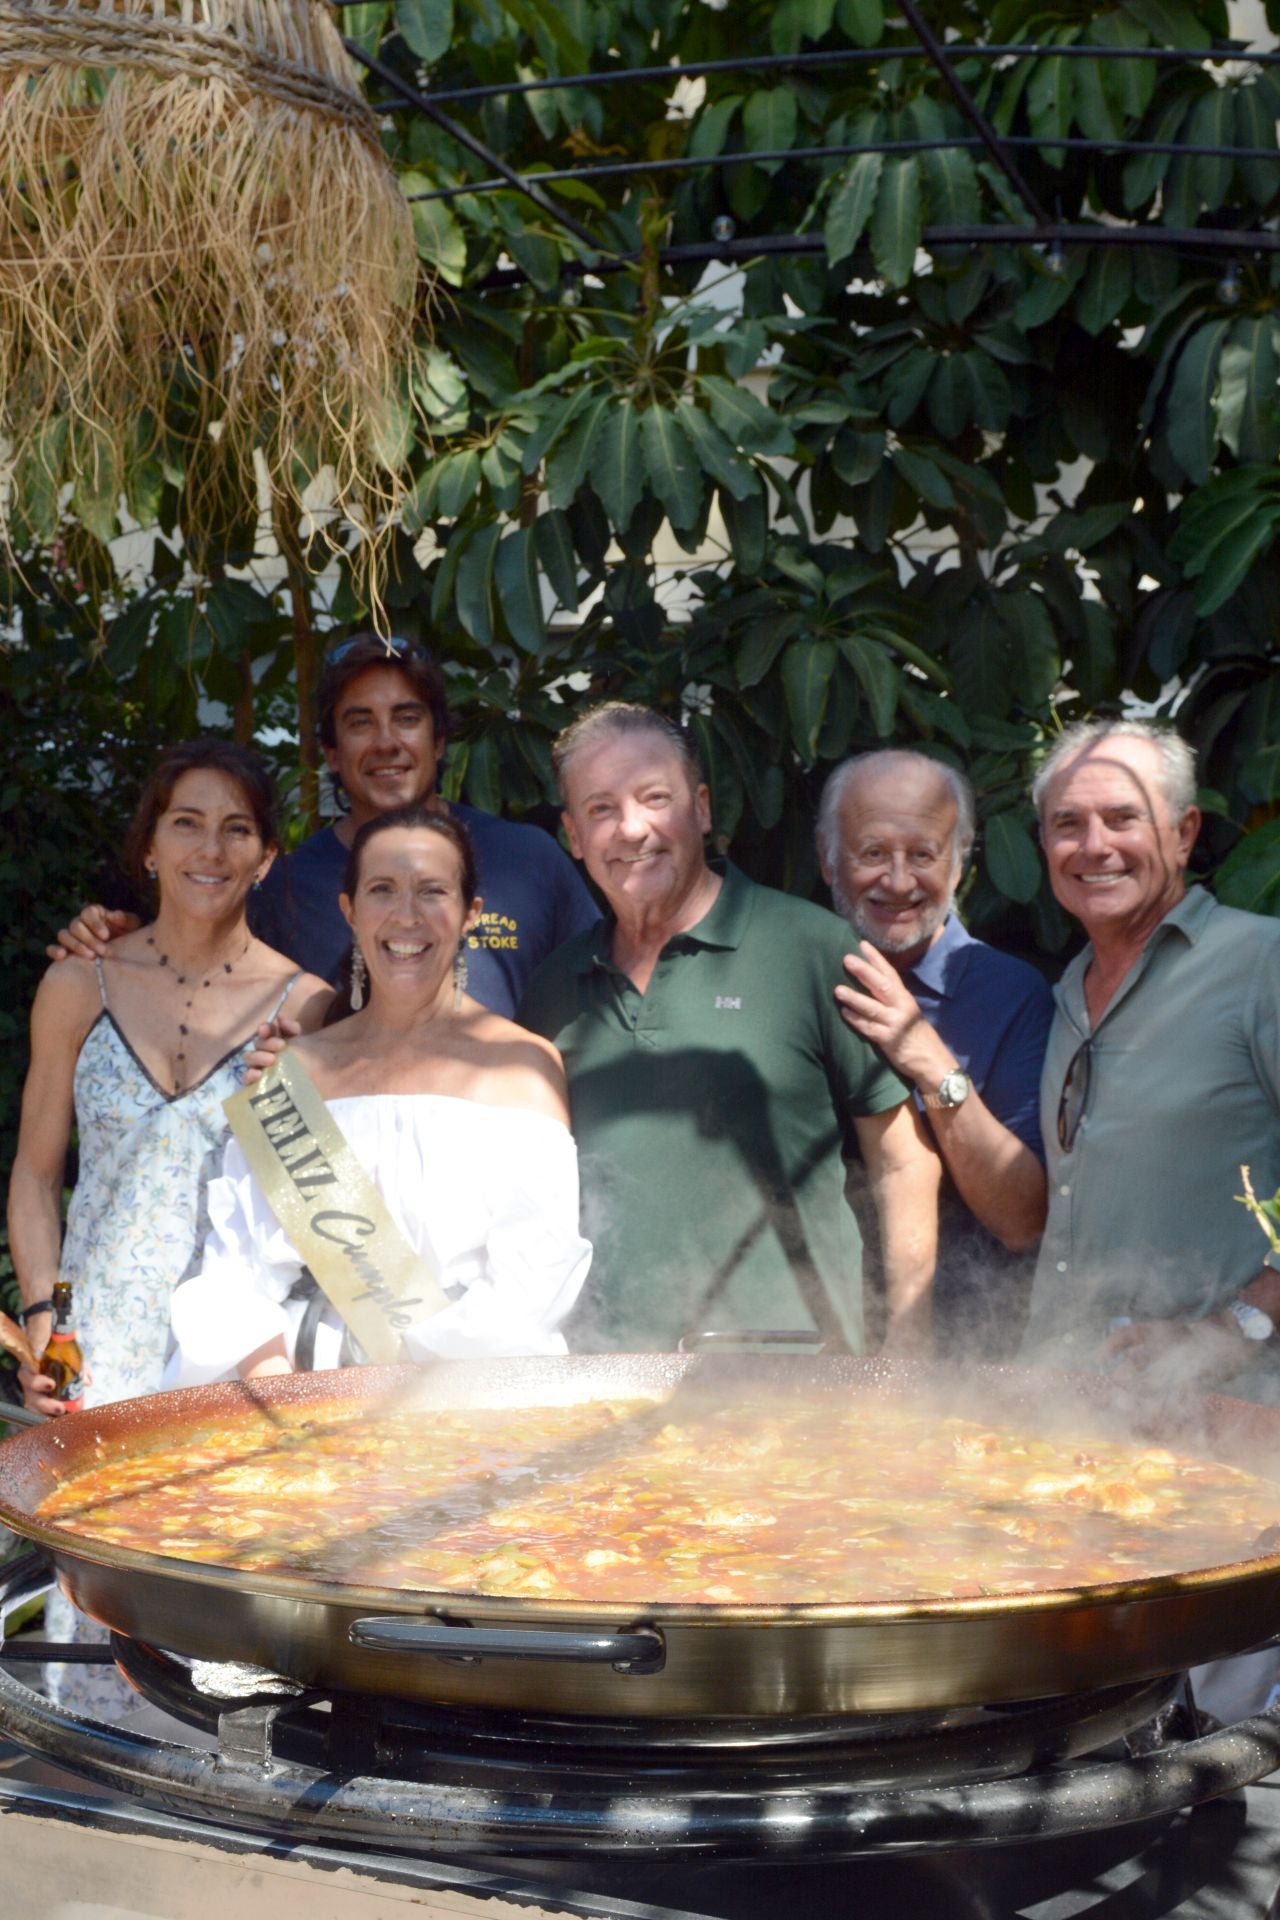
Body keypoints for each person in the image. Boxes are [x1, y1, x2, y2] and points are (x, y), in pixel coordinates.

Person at [6, 739, 331, 1711]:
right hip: (97, 1353)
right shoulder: (80, 983)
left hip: (234, 1363)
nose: (210, 849)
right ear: (148, 845)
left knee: (221, 1646)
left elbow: (320, 1211)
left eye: (237, 829)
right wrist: (44, 1321)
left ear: (267, 856)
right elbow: (35, 1177)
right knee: (94, 1636)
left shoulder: (307, 1008)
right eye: (186, 822)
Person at [518, 703, 940, 1354]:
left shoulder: (812, 949)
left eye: (654, 798)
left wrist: (910, 1346)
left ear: (703, 808)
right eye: (601, 809)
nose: (632, 828)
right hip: (606, 1375)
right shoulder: (552, 989)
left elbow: (902, 1159)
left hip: (796, 1375)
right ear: (573, 835)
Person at [166, 805, 590, 1384]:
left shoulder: (521, 1067)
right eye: (382, 889)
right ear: (350, 910)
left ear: (470, 914)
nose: (406, 915)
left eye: (432, 891)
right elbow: (235, 1270)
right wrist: (284, 1397)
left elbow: (534, 1281)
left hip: (470, 1396)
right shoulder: (295, 1073)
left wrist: (419, 1408)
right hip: (294, 1392)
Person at [49, 636, 599, 1017]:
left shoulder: (528, 859)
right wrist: (122, 941)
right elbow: (193, 973)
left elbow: (604, 987)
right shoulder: (284, 888)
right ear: (332, 753)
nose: (386, 742)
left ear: (439, 741)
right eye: (360, 723)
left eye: (407, 718)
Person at [1026, 717, 1280, 1393]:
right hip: (1065, 1406)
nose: (1095, 845)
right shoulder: (1066, 995)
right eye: (1068, 823)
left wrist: (1237, 1327)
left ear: (1184, 832)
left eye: (1122, 818)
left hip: (1227, 1413)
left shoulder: (1261, 962)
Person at [818, 751, 1053, 1357]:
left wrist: (930, 1060)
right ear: (827, 857)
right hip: (809, 1344)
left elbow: (1022, 1221)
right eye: (873, 853)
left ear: (960, 861)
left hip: (967, 1356)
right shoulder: (798, 974)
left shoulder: (1013, 994)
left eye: (923, 855)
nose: (899, 882)